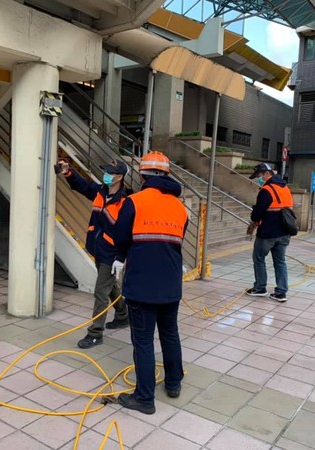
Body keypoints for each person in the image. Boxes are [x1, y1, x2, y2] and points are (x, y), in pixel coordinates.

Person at [112, 151, 188, 415]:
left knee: (143, 340)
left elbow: (120, 237)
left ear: (142, 175)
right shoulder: (180, 208)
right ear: (167, 175)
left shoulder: (133, 202)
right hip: (170, 284)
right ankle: (174, 382)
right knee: (169, 332)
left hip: (142, 284)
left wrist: (120, 258)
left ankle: (144, 398)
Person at [57, 158, 129, 349]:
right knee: (109, 285)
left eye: (110, 172)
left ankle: (95, 333)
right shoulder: (100, 192)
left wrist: (121, 257)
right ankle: (123, 315)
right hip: (98, 249)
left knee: (100, 292)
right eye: (105, 170)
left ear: (120, 177)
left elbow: (127, 233)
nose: (106, 174)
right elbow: (82, 185)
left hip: (111, 254)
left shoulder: (125, 202)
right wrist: (68, 171)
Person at [245, 162, 293, 302]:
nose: (259, 179)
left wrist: (254, 218)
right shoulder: (285, 187)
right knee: (280, 261)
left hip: (268, 232)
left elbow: (257, 214)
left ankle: (260, 288)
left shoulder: (267, 190)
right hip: (284, 232)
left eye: (260, 176)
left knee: (259, 258)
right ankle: (281, 292)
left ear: (267, 174)